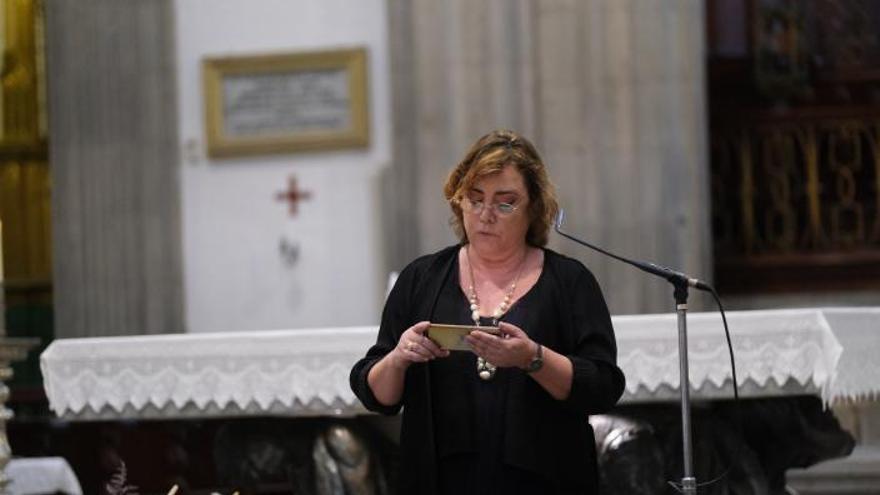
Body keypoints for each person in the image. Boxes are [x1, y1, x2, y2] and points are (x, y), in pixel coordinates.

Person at [350, 129, 625, 495]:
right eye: (474, 199)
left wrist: (533, 358)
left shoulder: (569, 281)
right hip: (440, 480)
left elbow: (602, 387)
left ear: (534, 208)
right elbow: (377, 396)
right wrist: (399, 358)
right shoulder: (422, 278)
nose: (485, 214)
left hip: (544, 479)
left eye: (505, 202)